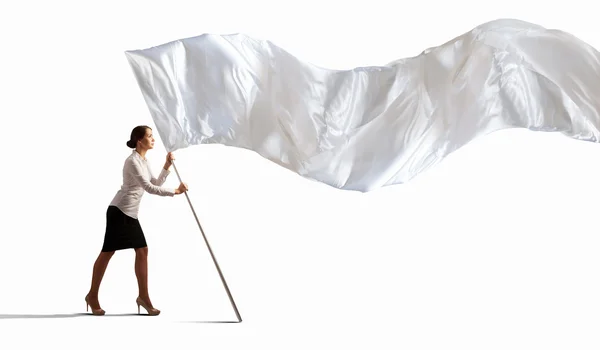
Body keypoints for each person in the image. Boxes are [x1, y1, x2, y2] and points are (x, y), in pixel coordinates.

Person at [85, 125, 188, 316]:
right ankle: (92, 296)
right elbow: (149, 188)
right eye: (149, 136)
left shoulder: (143, 160)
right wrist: (175, 191)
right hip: (119, 211)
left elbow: (155, 183)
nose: (153, 139)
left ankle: (143, 297)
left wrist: (166, 166)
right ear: (139, 140)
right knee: (108, 252)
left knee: (142, 250)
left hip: (129, 213)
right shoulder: (132, 161)